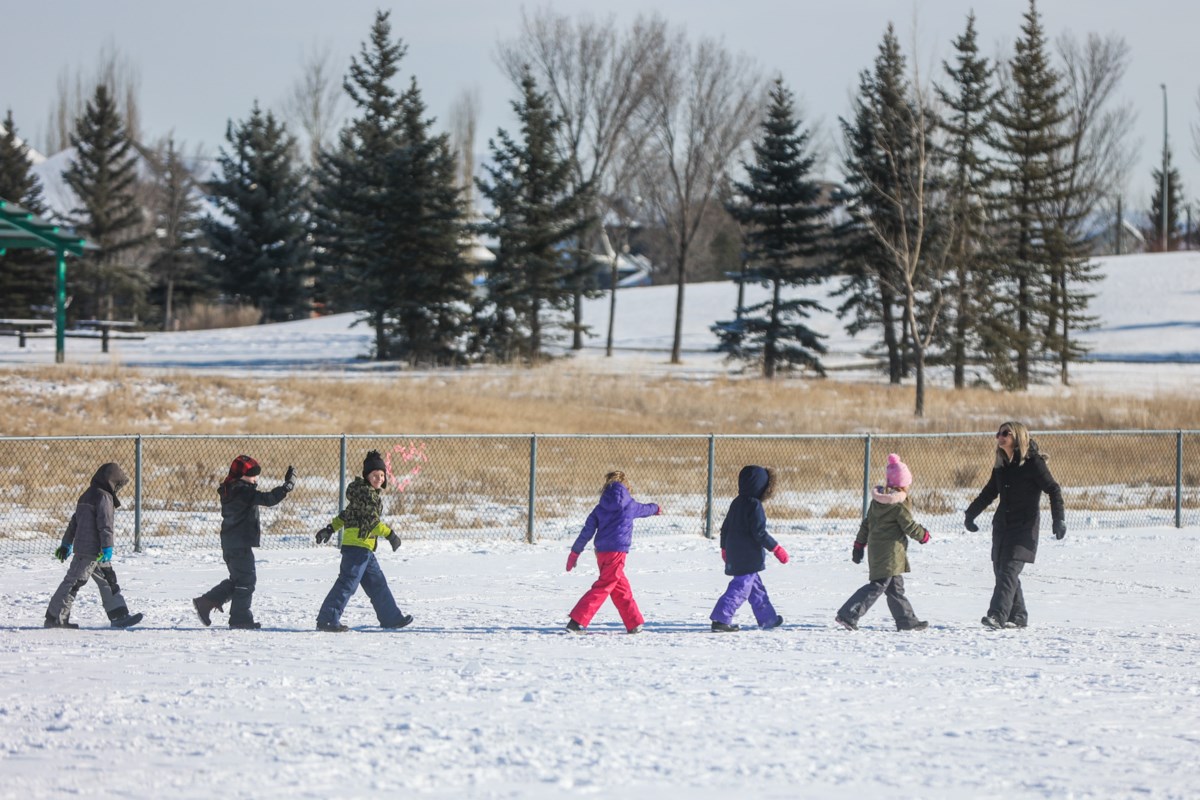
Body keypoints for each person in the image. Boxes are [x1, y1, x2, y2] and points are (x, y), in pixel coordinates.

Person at [964, 421, 1065, 630]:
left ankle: (997, 616)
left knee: (1009, 571)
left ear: (1017, 437)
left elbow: (1053, 489)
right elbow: (989, 492)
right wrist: (970, 515)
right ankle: (1018, 616)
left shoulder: (1033, 463)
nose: (999, 437)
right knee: (1002, 571)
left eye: (1005, 433)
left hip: (1023, 528)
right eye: (998, 433)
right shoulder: (1002, 466)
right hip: (1002, 526)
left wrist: (1059, 519)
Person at [314, 450, 413, 632]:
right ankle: (327, 619)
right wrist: (391, 535)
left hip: (364, 548)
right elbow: (373, 522)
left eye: (382, 475)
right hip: (357, 548)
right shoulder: (368, 495)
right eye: (375, 475)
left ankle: (391, 618)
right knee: (347, 583)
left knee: (377, 584)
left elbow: (346, 515)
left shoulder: (362, 493)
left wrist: (330, 529)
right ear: (367, 475)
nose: (379, 478)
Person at [193, 455, 294, 630]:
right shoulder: (242, 491)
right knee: (246, 582)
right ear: (240, 475)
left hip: (233, 543)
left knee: (239, 580)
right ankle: (239, 619)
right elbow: (268, 499)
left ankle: (207, 601)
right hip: (238, 544)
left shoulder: (232, 488)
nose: (255, 479)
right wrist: (286, 487)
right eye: (252, 475)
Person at [835, 454, 930, 632]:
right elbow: (909, 525)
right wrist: (922, 535)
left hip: (877, 550)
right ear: (903, 484)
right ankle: (848, 614)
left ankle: (906, 621)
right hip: (890, 553)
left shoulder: (877, 501)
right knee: (878, 585)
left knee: (895, 588)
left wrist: (858, 545)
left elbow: (866, 524)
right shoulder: (899, 505)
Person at [45, 463, 143, 629]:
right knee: (74, 582)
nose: (117, 488)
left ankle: (119, 615)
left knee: (108, 580)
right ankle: (55, 617)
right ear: (110, 481)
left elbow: (74, 522)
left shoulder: (87, 494)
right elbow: (105, 524)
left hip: (94, 551)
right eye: (117, 484)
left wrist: (66, 543)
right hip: (90, 551)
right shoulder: (104, 496)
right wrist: (107, 547)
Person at [564, 471, 660, 634]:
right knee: (604, 586)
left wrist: (575, 552)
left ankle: (634, 622)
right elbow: (646, 509)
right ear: (625, 486)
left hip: (601, 553)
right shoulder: (630, 505)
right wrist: (656, 508)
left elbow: (586, 531)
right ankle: (577, 621)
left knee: (620, 587)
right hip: (617, 552)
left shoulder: (600, 508)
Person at [710, 465, 789, 633]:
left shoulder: (736, 502)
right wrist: (776, 548)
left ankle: (768, 619)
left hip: (736, 552)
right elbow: (759, 533)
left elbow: (725, 528)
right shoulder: (755, 505)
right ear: (762, 487)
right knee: (741, 587)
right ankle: (721, 619)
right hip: (748, 555)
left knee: (755, 588)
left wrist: (724, 548)